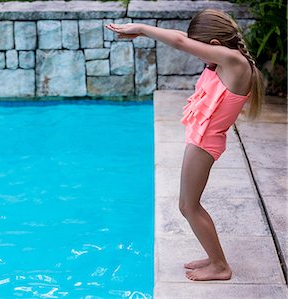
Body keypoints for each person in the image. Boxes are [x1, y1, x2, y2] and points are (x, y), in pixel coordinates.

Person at [106, 9, 265, 281]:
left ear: (214, 44)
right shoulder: (226, 56)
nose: (198, 54)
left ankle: (220, 266)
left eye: (201, 47)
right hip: (200, 139)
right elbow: (181, 37)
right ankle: (214, 256)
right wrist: (142, 30)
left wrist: (142, 27)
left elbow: (181, 42)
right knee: (187, 204)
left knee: (188, 206)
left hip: (205, 143)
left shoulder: (233, 62)